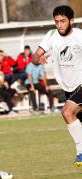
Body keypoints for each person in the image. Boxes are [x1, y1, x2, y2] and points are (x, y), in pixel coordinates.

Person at [33, 5, 82, 166]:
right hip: (68, 87)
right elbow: (35, 56)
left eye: (63, 21)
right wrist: (38, 59)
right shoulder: (51, 35)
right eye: (57, 21)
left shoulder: (80, 36)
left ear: (71, 21)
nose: (60, 25)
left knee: (67, 112)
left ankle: (80, 153)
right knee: (76, 120)